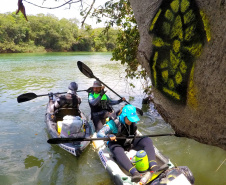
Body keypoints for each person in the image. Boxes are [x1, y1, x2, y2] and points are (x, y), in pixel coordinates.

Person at [97, 105, 159, 183]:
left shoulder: (132, 122)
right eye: (129, 119)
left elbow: (134, 132)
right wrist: (108, 136)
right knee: (117, 150)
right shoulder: (113, 123)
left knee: (147, 140)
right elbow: (99, 133)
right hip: (117, 143)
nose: (131, 121)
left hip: (130, 140)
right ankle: (134, 173)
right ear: (124, 116)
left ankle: (153, 165)